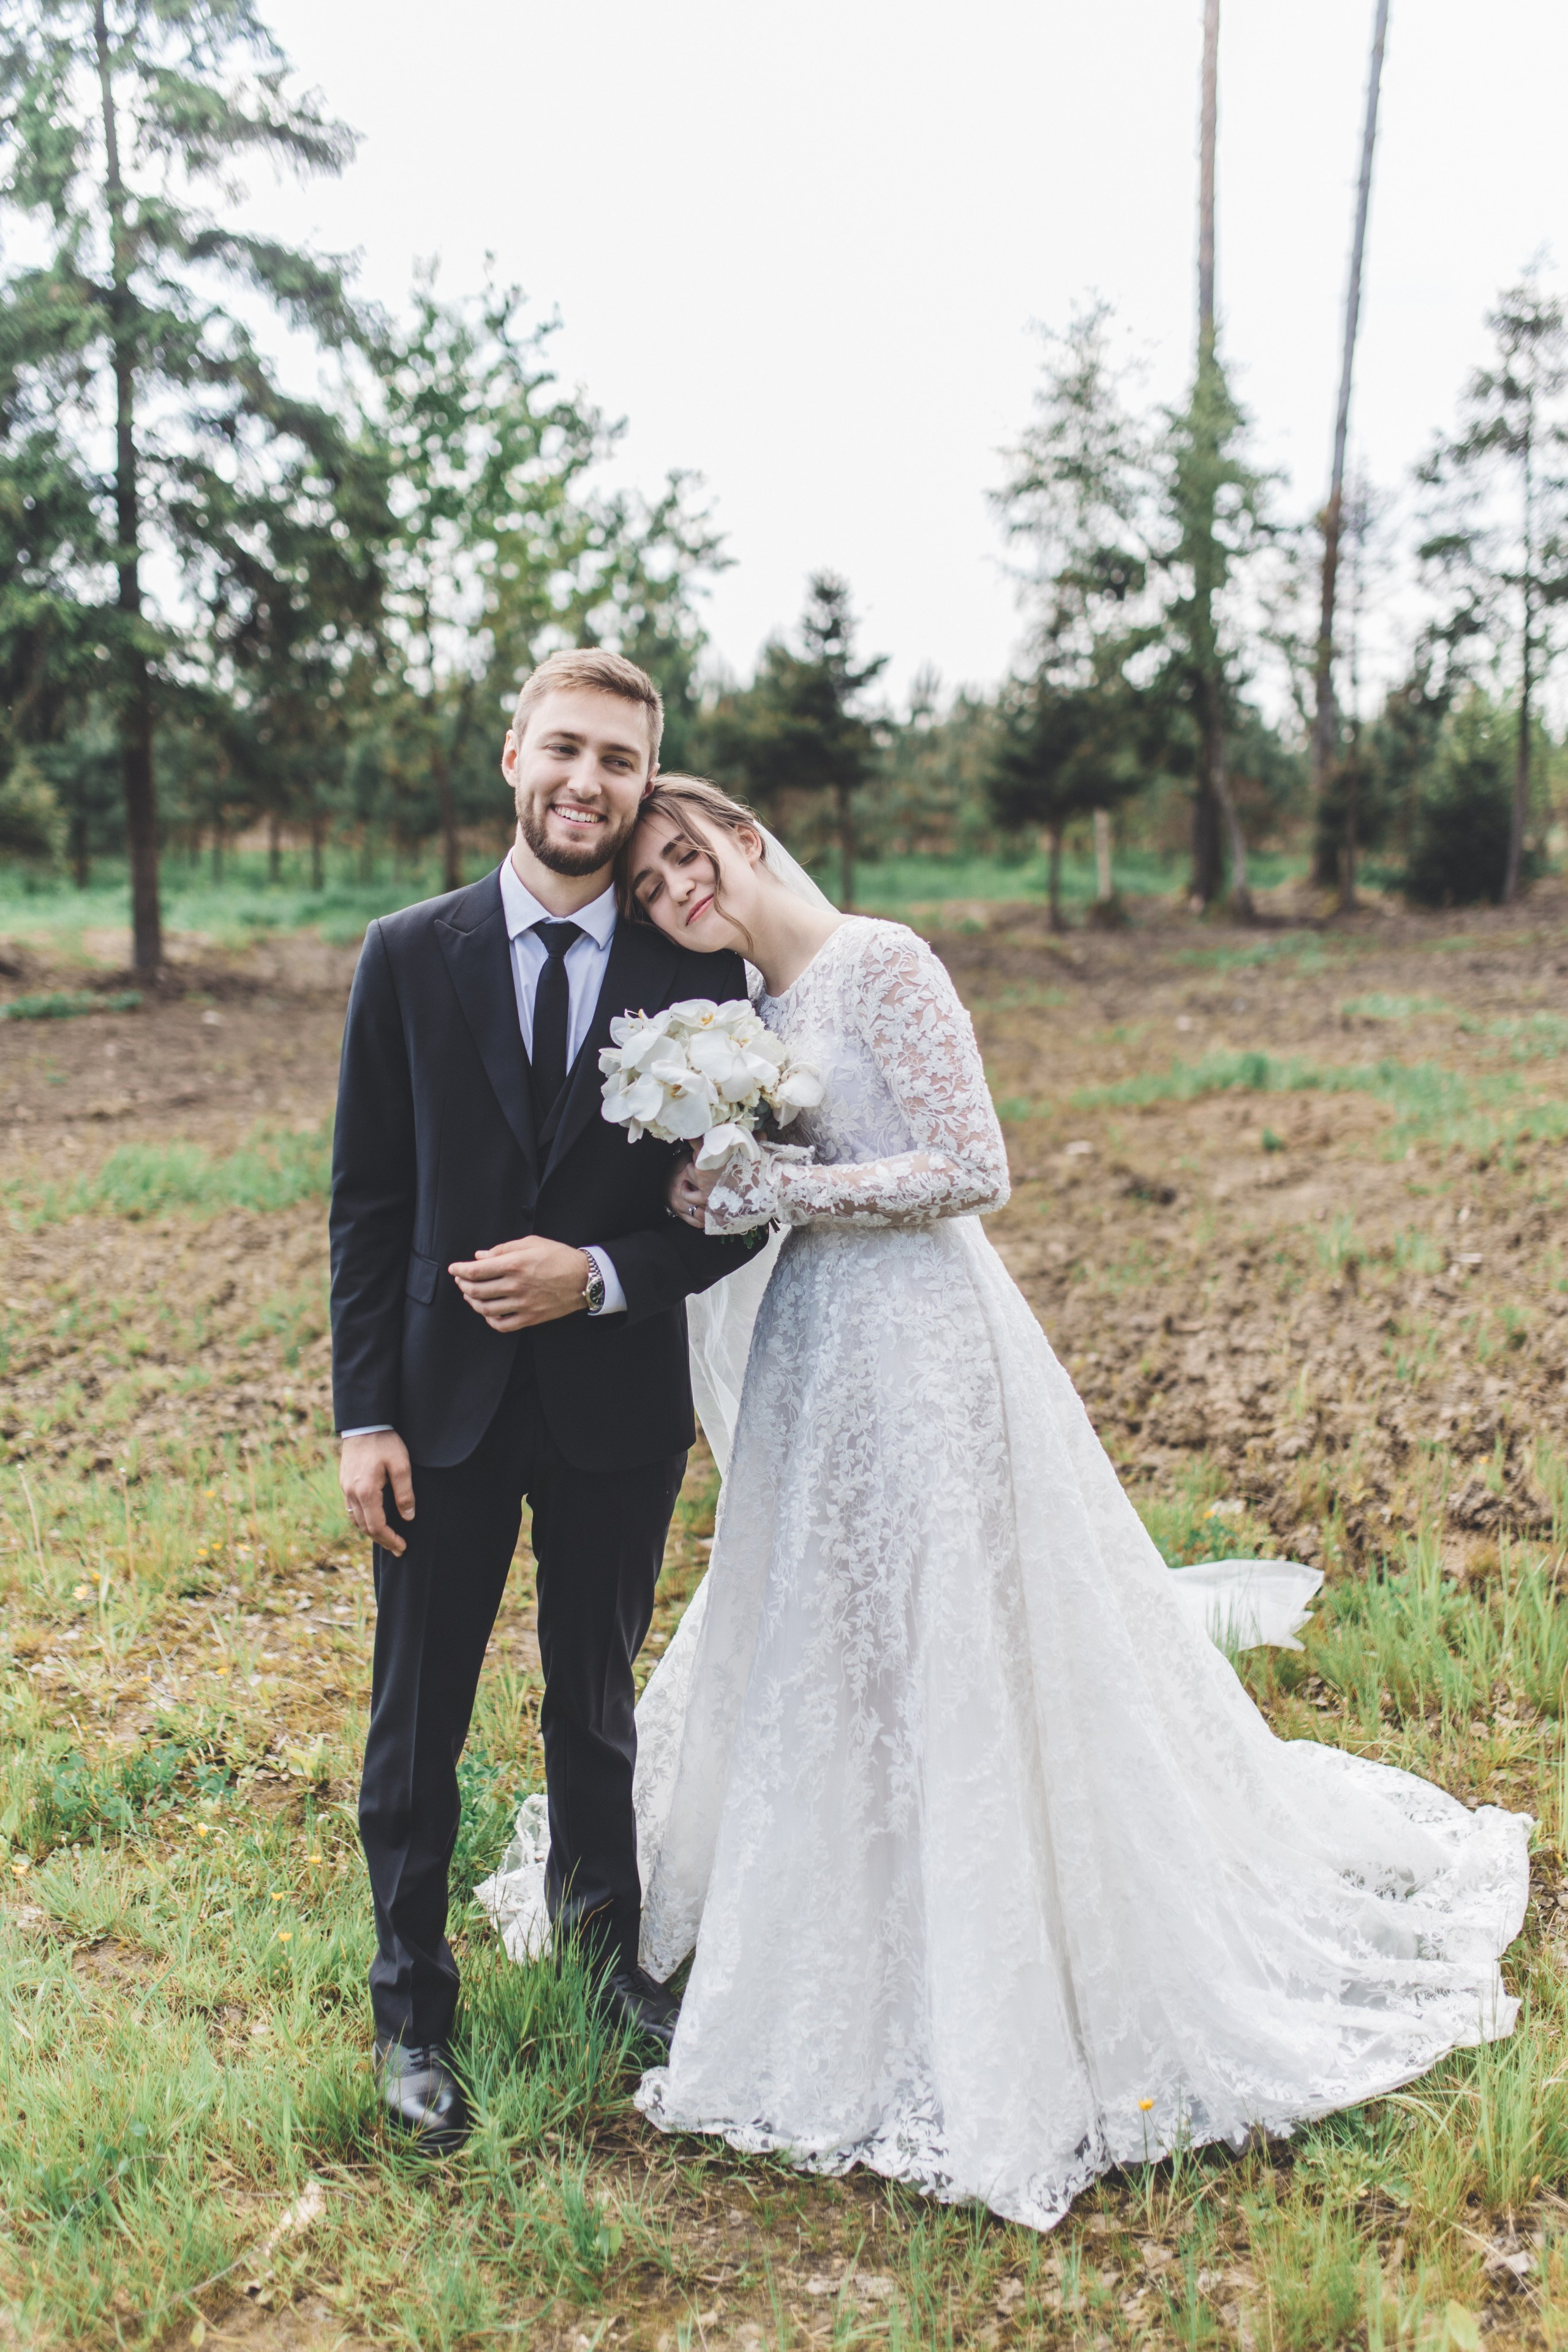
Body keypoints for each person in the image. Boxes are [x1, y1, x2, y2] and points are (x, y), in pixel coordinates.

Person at [508, 772, 1529, 2231]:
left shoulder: (882, 962)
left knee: (951, 1632)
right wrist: (720, 1182)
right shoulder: (749, 1015)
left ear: (741, 834)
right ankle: (851, 1915)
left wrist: (782, 1194)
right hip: (816, 1356)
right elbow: (772, 1179)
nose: (673, 886)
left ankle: (989, 1949)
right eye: (648, 880)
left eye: (684, 853)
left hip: (923, 1347)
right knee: (836, 1637)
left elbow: (972, 1166)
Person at [328, 655, 758, 2154]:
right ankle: (411, 2013)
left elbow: (731, 1210)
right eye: (563, 748)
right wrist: (360, 1417)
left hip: (612, 1404)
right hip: (436, 1412)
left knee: (595, 1706)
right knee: (417, 1721)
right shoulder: (405, 953)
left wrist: (599, 1269)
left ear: (648, 783)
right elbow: (367, 1205)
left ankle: (602, 1965)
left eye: (620, 763)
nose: (588, 782)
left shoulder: (701, 982)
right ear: (512, 752)